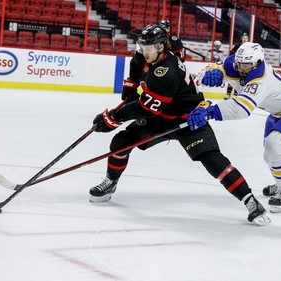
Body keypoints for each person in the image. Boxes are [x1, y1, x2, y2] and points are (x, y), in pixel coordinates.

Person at [89, 24, 270, 226]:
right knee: (120, 142)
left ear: (161, 47)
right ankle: (111, 182)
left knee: (212, 160)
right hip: (160, 118)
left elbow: (146, 109)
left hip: (188, 118)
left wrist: (114, 117)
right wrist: (131, 85)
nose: (143, 51)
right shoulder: (145, 55)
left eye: (148, 48)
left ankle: (251, 202)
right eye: (142, 47)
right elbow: (136, 68)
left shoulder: (168, 71)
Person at [188, 42, 281, 213]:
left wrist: (210, 112)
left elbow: (242, 108)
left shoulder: (260, 79)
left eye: (246, 65)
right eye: (239, 64)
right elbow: (215, 67)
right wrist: (212, 72)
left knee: (274, 144)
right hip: (279, 111)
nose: (241, 69)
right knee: (269, 154)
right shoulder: (236, 64)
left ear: (256, 63)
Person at [224, 33, 250, 100]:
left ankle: (235, 94)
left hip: (244, 67)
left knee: (239, 81)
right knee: (231, 79)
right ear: (241, 39)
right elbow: (231, 55)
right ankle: (228, 93)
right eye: (244, 38)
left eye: (246, 38)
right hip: (235, 65)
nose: (245, 39)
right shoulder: (237, 46)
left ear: (248, 39)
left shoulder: (249, 47)